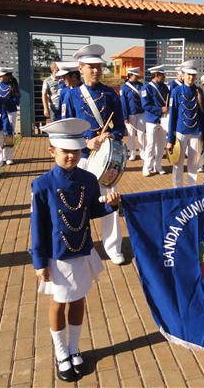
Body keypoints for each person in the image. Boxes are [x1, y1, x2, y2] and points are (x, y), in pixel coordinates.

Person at [31, 117, 121, 382]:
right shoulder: (42, 184)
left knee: (79, 299)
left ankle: (74, 347)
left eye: (76, 151)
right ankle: (61, 353)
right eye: (65, 151)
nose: (71, 156)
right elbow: (37, 226)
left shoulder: (89, 179)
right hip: (57, 255)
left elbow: (92, 210)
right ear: (52, 151)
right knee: (59, 303)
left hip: (82, 250)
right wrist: (39, 262)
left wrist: (111, 204)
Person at [63, 43, 126, 265]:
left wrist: (111, 135)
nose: (96, 70)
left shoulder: (110, 94)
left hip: (105, 160)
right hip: (81, 158)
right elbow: (65, 131)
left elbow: (120, 127)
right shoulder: (70, 96)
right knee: (77, 203)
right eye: (91, 66)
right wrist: (86, 142)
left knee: (110, 201)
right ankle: (79, 244)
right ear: (81, 68)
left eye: (99, 66)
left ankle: (113, 247)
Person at [166, 60, 204, 188]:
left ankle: (191, 187)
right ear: (183, 75)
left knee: (193, 163)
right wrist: (170, 139)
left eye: (193, 75)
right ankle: (177, 188)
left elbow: (203, 116)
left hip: (196, 132)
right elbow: (172, 116)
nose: (191, 77)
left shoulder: (199, 92)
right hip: (180, 132)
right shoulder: (176, 91)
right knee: (178, 163)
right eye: (188, 74)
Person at [141, 65, 169, 177]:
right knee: (151, 145)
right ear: (156, 75)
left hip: (163, 119)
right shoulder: (146, 88)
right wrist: (160, 109)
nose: (164, 77)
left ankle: (158, 166)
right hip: (151, 120)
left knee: (161, 145)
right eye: (162, 75)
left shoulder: (164, 87)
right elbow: (145, 105)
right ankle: (147, 167)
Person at [0, 67, 20, 165]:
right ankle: (1, 157)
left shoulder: (13, 85)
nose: (0, 77)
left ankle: (9, 157)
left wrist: (6, 102)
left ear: (8, 76)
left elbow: (17, 100)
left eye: (2, 76)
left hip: (10, 112)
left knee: (9, 134)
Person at [120, 67, 146, 162]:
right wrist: (125, 116)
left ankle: (143, 153)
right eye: (136, 75)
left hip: (141, 113)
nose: (138, 77)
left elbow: (144, 98)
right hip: (130, 114)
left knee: (141, 134)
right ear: (130, 75)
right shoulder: (124, 87)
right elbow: (123, 102)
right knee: (131, 135)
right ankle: (132, 153)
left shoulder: (141, 85)